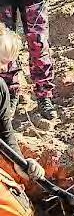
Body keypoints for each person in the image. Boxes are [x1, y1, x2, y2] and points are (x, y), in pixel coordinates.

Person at [0, 23, 44, 182]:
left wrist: (19, 162)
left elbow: (5, 131)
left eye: (7, 63)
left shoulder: (1, 89)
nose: (4, 69)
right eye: (2, 61)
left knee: (17, 207)